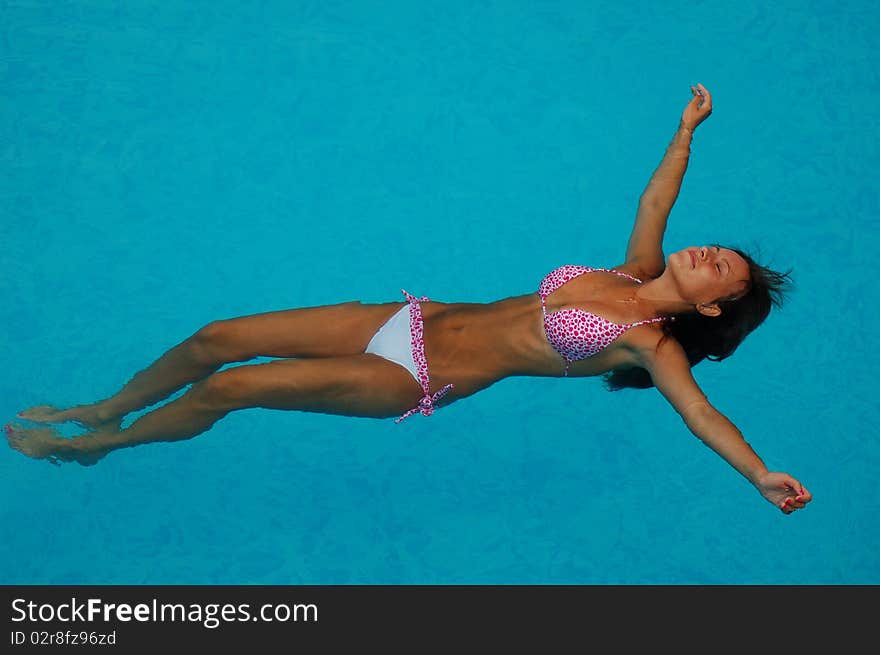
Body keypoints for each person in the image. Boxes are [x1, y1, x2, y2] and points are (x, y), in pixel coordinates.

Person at [6, 83, 811, 515]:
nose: (710, 258)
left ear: (711, 308)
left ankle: (95, 448)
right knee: (218, 335)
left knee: (231, 387)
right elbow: (654, 204)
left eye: (722, 274)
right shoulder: (636, 271)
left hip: (417, 377)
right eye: (720, 252)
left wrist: (759, 472)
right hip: (411, 317)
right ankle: (106, 407)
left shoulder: (651, 342)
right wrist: (686, 131)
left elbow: (702, 415)